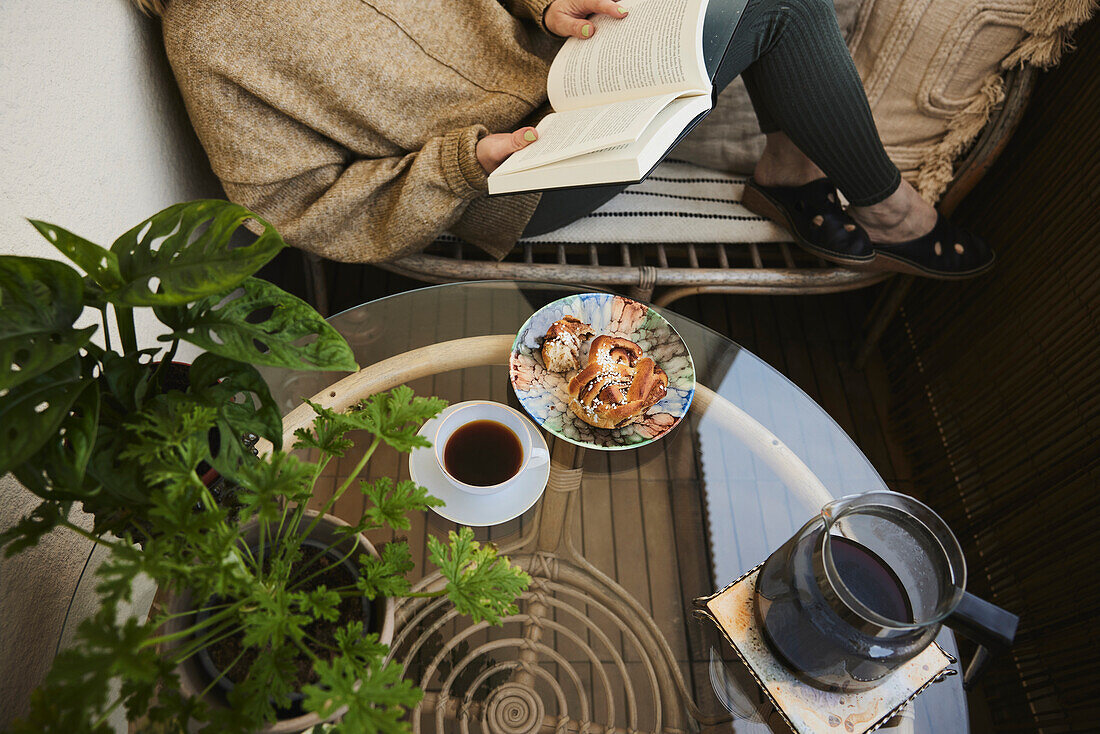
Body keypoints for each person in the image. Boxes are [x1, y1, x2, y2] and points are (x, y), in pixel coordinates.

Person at [142, 0, 992, 279]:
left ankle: (792, 170)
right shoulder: (210, 41)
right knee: (776, 0)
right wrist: (462, 163)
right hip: (516, 176)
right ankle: (884, 211)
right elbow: (287, 207)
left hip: (575, 71)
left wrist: (546, 3)